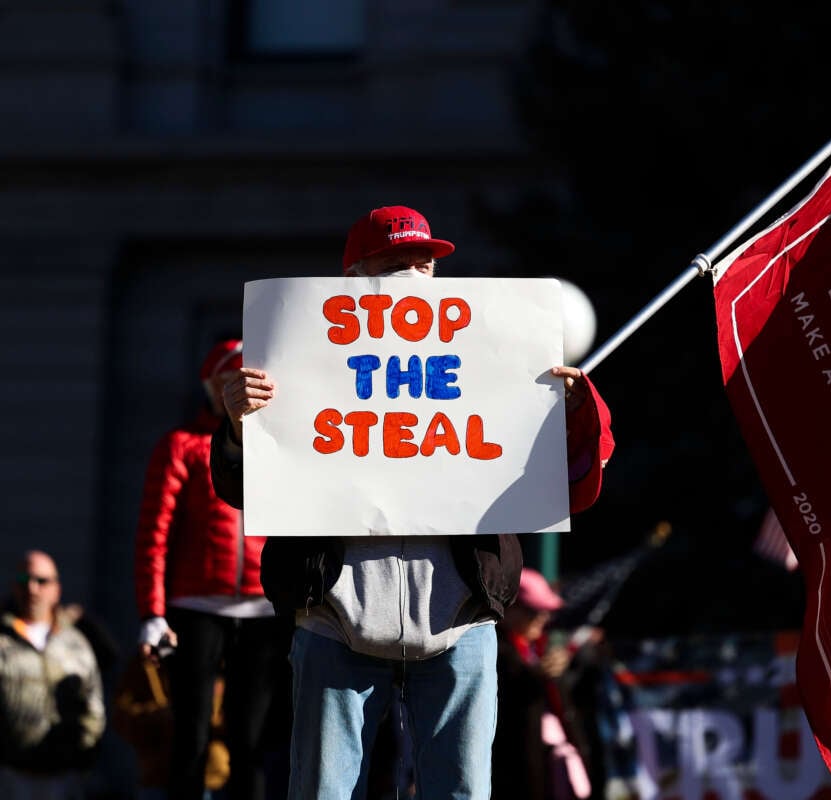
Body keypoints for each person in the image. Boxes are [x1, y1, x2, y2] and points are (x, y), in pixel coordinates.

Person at [209, 204, 616, 800]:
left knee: (462, 792)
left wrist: (578, 411)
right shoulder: (294, 360)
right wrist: (240, 426)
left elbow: (575, 484)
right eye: (395, 265)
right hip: (334, 615)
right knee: (322, 791)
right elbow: (240, 492)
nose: (413, 280)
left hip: (462, 619)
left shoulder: (489, 355)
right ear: (353, 279)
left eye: (423, 264)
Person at [132, 337, 293, 800]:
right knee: (192, 736)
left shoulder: (280, 447)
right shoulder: (182, 446)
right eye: (230, 379)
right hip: (195, 605)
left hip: (263, 609)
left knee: (252, 742)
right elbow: (153, 535)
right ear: (211, 385)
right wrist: (152, 613)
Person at [0, 550, 106, 798]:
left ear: (56, 589)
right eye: (26, 581)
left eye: (42, 581)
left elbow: (93, 705)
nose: (33, 589)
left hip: (65, 777)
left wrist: (85, 754)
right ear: (15, 588)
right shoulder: (3, 640)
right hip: (10, 776)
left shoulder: (75, 642)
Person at [493, 568, 595, 800]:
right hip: (512, 776)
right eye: (533, 611)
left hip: (548, 767)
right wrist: (536, 675)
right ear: (508, 608)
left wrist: (555, 671)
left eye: (545, 612)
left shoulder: (538, 646)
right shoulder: (495, 650)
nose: (543, 618)